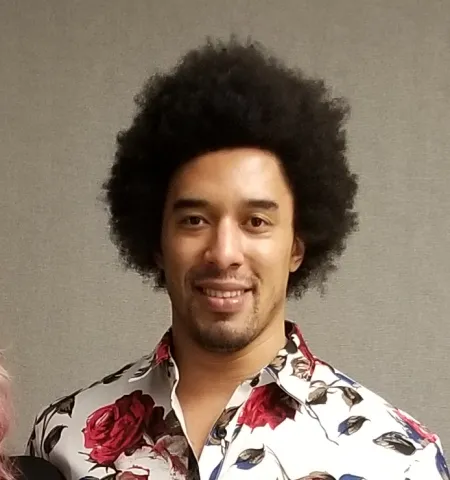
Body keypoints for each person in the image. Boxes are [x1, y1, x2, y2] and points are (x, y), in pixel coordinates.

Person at [26, 38, 447, 479]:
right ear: (157, 242)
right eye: (194, 220)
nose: (224, 253)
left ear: (297, 245)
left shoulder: (399, 460)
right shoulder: (62, 440)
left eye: (256, 222)